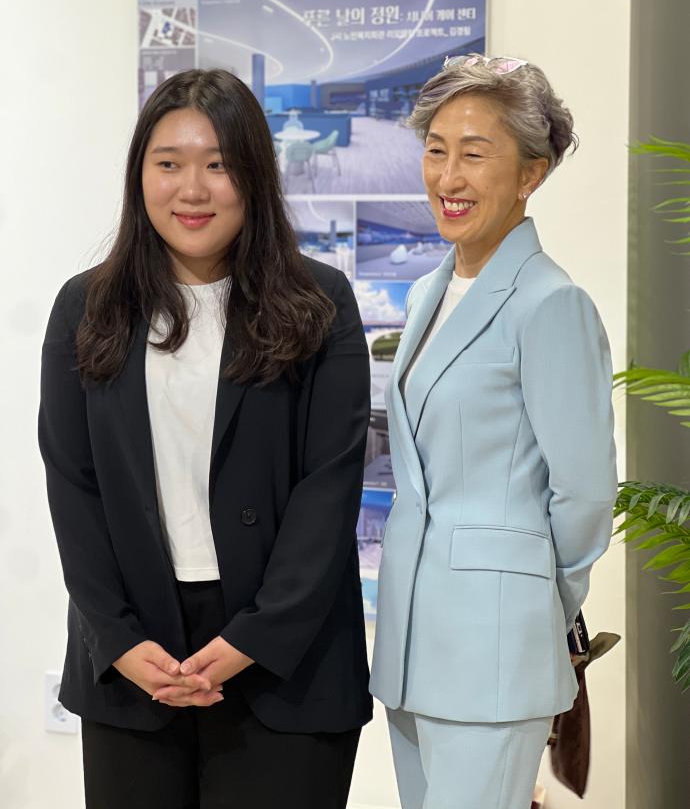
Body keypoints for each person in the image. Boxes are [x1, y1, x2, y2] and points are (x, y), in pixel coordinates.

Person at [39, 68, 372, 809]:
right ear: (140, 176)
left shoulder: (319, 303)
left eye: (218, 164)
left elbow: (328, 487)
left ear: (254, 175)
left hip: (287, 660)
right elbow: (73, 485)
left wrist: (258, 636)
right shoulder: (86, 308)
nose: (192, 189)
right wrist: (117, 638)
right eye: (169, 163)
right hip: (134, 657)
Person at [369, 54, 617, 809]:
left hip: (494, 645)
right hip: (412, 641)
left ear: (531, 174)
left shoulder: (550, 303)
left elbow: (585, 495)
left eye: (475, 154)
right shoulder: (427, 292)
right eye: (436, 149)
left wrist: (526, 601)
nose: (448, 177)